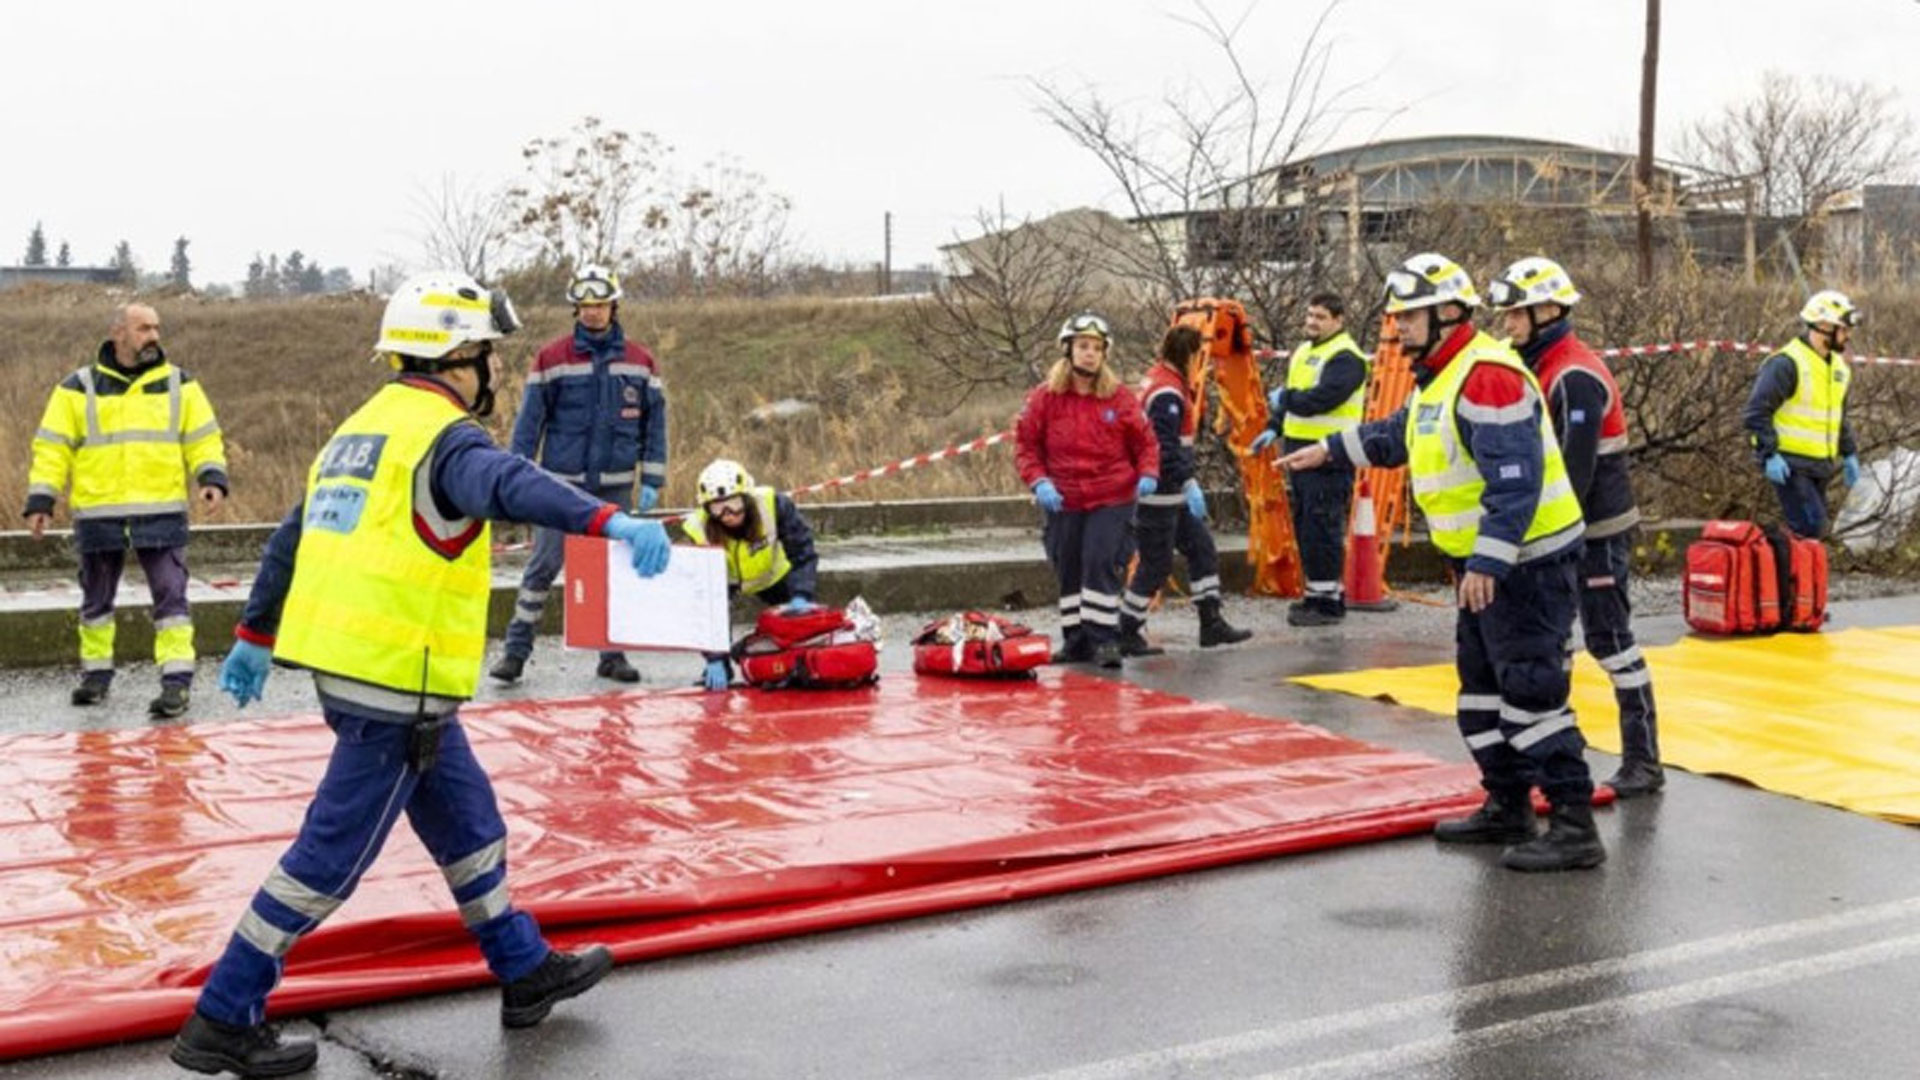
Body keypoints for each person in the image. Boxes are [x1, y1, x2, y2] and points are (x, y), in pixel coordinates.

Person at [169, 272, 673, 1078]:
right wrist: (607, 519)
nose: (495, 369)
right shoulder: (449, 439)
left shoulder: (360, 431)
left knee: (470, 827)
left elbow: (292, 538)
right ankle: (223, 1015)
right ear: (457, 357)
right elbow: (510, 482)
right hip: (397, 686)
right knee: (327, 860)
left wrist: (256, 633)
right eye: (488, 354)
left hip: (370, 675)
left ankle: (523, 969)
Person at [1279, 253, 1603, 872]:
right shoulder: (1444, 376)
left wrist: (1488, 563)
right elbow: (1398, 434)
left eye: (1409, 315)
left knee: (1531, 695)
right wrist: (1328, 451)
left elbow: (1516, 482)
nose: (1398, 326)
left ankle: (1573, 825)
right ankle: (1508, 805)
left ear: (1448, 313)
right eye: (1397, 317)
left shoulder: (1486, 375)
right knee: (1481, 697)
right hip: (1484, 567)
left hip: (1524, 568)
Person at [1488, 256, 1662, 798]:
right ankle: (1558, 754)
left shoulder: (1574, 375)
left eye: (1515, 314)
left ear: (1547, 310)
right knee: (1555, 642)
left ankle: (1644, 759)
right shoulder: (1538, 363)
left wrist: (1538, 535)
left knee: (1611, 643)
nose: (1507, 324)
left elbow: (1574, 471)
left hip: (1595, 532)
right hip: (1564, 531)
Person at [24, 302, 228, 719]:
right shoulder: (78, 387)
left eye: (156, 328)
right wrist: (41, 500)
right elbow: (52, 448)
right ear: (118, 333)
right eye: (143, 328)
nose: (153, 336)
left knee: (171, 597)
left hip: (161, 511)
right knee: (96, 600)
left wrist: (211, 478)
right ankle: (96, 676)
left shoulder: (180, 384)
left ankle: (176, 682)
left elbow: (203, 438)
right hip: (99, 513)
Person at [492, 263, 668, 686]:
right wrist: (516, 478)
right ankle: (515, 652)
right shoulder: (551, 359)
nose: (592, 312)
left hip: (615, 486)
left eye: (600, 305)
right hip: (560, 487)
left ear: (613, 306)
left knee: (612, 572)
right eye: (585, 306)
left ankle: (612, 656)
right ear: (575, 309)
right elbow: (529, 423)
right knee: (542, 567)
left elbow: (655, 424)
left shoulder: (641, 361)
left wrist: (652, 479)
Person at [1015, 313, 1160, 669]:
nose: (1090, 354)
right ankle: (1076, 640)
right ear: (1068, 350)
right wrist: (1039, 481)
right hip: (1063, 498)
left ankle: (1105, 639)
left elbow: (1146, 442)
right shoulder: (1045, 398)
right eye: (1083, 346)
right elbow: (1026, 446)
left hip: (1112, 496)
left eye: (1096, 348)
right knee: (1068, 566)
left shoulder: (1119, 398)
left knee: (1100, 562)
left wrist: (1148, 472)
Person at [1118, 324, 1251, 654]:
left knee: (1202, 549)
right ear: (1191, 355)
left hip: (1170, 493)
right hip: (1161, 493)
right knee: (1155, 564)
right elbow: (1164, 447)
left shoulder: (1161, 379)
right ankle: (1127, 628)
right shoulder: (1168, 393)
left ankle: (1211, 622)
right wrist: (1188, 481)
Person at [1251, 292, 1371, 626]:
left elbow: (1322, 399)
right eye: (1310, 316)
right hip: (1299, 451)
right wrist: (1274, 427)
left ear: (1338, 320)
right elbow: (1291, 403)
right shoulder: (1304, 352)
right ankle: (1316, 595)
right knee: (1308, 526)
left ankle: (1327, 603)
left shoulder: (1347, 357)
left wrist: (1286, 398)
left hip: (1330, 454)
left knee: (1323, 526)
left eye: (1320, 317)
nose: (1312, 322)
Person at [680, 458, 820, 691]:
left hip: (774, 576)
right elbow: (704, 599)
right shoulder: (698, 529)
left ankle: (795, 660)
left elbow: (803, 552)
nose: (727, 515)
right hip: (725, 583)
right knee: (714, 617)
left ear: (747, 498)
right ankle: (723, 664)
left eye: (734, 504)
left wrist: (801, 594)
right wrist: (714, 656)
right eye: (717, 508)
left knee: (803, 628)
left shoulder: (774, 505)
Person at [1743, 290, 1861, 539]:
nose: (1848, 335)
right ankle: (1780, 563)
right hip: (1790, 464)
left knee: (1809, 534)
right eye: (1843, 329)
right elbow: (1756, 412)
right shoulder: (1786, 363)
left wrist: (1849, 452)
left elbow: (1837, 415)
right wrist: (1769, 454)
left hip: (1820, 465)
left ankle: (1783, 562)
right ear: (1823, 326)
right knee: (1811, 528)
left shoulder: (1839, 368)